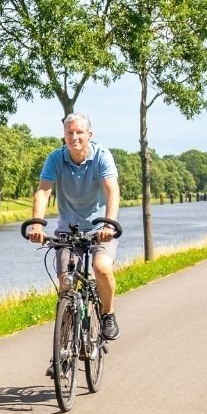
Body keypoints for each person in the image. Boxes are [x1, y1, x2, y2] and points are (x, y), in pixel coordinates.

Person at [26, 112, 123, 339]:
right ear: (64, 135)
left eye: (79, 132)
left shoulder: (101, 156)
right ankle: (63, 348)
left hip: (100, 229)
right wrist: (37, 225)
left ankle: (108, 314)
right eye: (70, 132)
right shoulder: (55, 158)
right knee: (66, 283)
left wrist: (109, 224)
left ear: (90, 135)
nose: (74, 137)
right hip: (67, 230)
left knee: (101, 268)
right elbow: (43, 191)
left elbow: (112, 190)